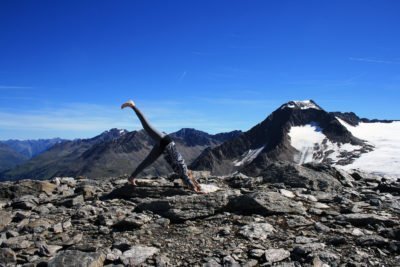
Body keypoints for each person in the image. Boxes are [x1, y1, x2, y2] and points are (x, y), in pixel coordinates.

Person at [121, 100, 203, 193]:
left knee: (148, 161)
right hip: (165, 142)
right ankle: (132, 105)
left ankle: (132, 177)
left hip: (165, 147)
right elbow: (189, 181)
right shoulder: (183, 172)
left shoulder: (184, 170)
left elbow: (192, 181)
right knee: (147, 126)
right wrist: (196, 190)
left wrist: (197, 186)